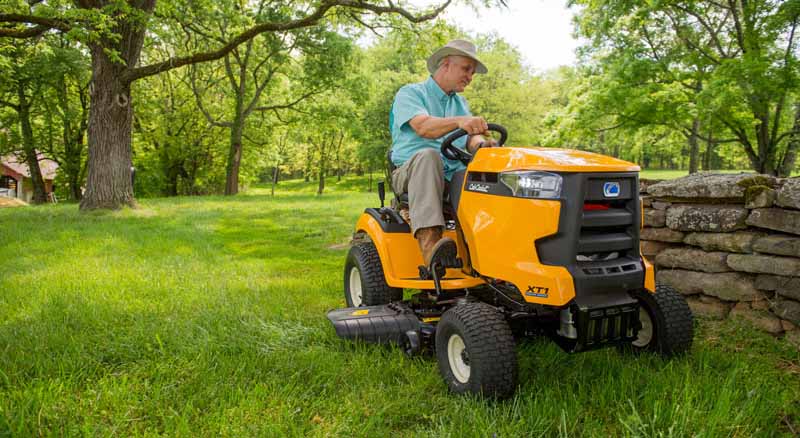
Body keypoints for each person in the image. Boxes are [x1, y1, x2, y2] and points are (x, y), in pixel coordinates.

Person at [389, 39, 496, 275]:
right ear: (446, 64)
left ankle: (485, 258)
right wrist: (460, 122)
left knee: (484, 172)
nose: (470, 76)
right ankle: (431, 251)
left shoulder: (460, 103)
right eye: (466, 69)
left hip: (450, 174)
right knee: (429, 156)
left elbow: (470, 138)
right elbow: (424, 127)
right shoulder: (410, 94)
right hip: (411, 173)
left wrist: (484, 145)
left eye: (472, 72)